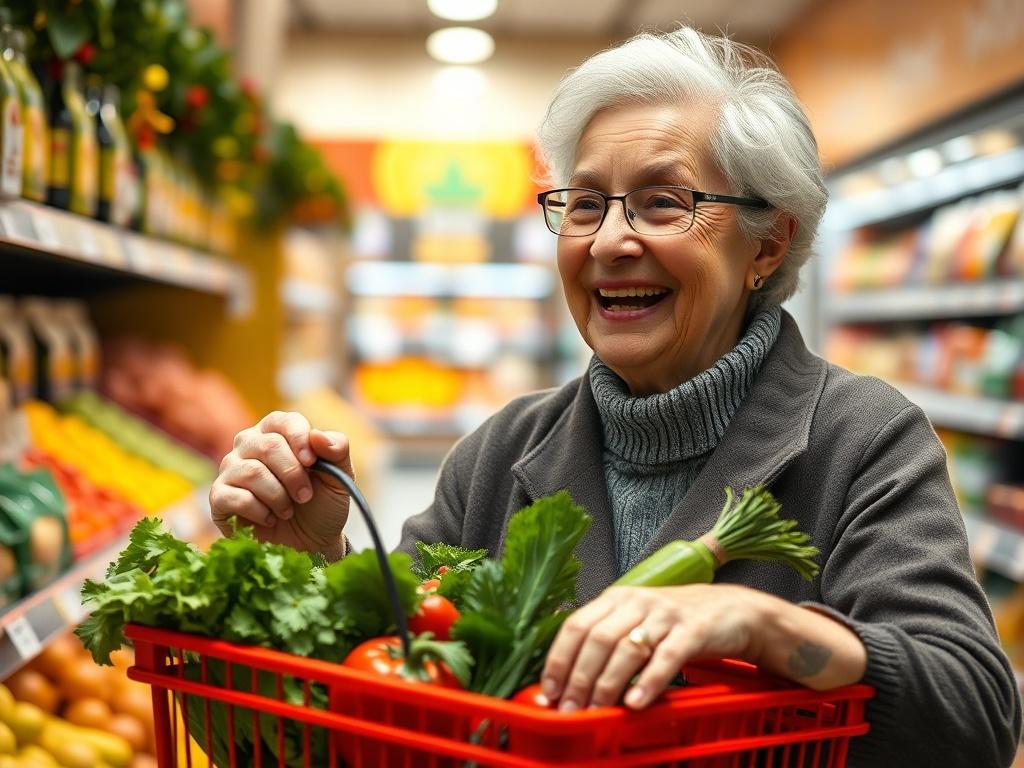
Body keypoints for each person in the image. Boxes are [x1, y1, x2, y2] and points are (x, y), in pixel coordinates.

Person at [208, 26, 1021, 766]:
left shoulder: (863, 439)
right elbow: (385, 698)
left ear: (766, 245)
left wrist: (765, 628)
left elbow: (976, 714)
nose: (608, 241)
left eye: (664, 202)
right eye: (585, 203)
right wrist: (309, 554)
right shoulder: (501, 452)